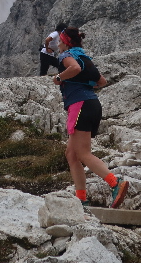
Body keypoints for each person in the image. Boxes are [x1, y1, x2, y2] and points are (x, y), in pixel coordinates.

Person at [53, 26, 129, 208]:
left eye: (60, 41)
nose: (58, 44)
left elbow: (74, 68)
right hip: (92, 104)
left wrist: (59, 78)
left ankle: (115, 183)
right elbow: (101, 81)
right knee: (72, 154)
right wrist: (82, 84)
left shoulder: (65, 56)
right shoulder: (84, 57)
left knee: (82, 153)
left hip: (79, 105)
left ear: (66, 43)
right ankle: (81, 199)